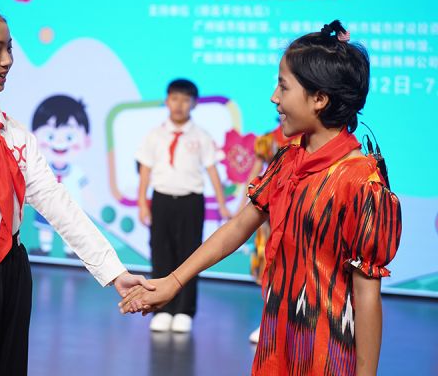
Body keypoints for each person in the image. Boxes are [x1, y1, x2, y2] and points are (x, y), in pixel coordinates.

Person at [121, 20, 402, 376]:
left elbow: (367, 296)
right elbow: (240, 226)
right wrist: (173, 281)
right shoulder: (288, 160)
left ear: (319, 99)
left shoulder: (362, 183)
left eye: (283, 86)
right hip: (278, 344)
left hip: (326, 357)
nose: (274, 98)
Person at [0, 0, 152, 376]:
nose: (8, 61)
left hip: (14, 269)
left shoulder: (13, 132)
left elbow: (56, 201)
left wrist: (114, 272)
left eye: (10, 48)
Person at [135, 78, 230, 333]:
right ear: (167, 101)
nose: (179, 105)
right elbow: (145, 171)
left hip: (191, 202)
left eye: (185, 100)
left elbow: (212, 171)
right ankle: (161, 309)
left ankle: (185, 311)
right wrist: (142, 203)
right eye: (174, 98)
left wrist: (222, 204)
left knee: (190, 256)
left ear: (194, 104)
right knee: (161, 253)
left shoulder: (201, 136)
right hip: (162, 200)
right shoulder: (155, 135)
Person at [246, 125, 300, 344]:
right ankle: (269, 321)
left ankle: (290, 324)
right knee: (268, 265)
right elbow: (256, 172)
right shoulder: (267, 140)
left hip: (296, 213)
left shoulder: (307, 140)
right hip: (269, 213)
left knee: (293, 268)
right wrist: (244, 204)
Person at [30, 95, 91, 257]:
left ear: (86, 140)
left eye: (69, 137)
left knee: (70, 228)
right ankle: (44, 248)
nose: (59, 142)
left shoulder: (76, 171)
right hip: (46, 204)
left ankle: (70, 251)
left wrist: (89, 205)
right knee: (45, 227)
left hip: (71, 206)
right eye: (50, 136)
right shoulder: (41, 166)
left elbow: (85, 189)